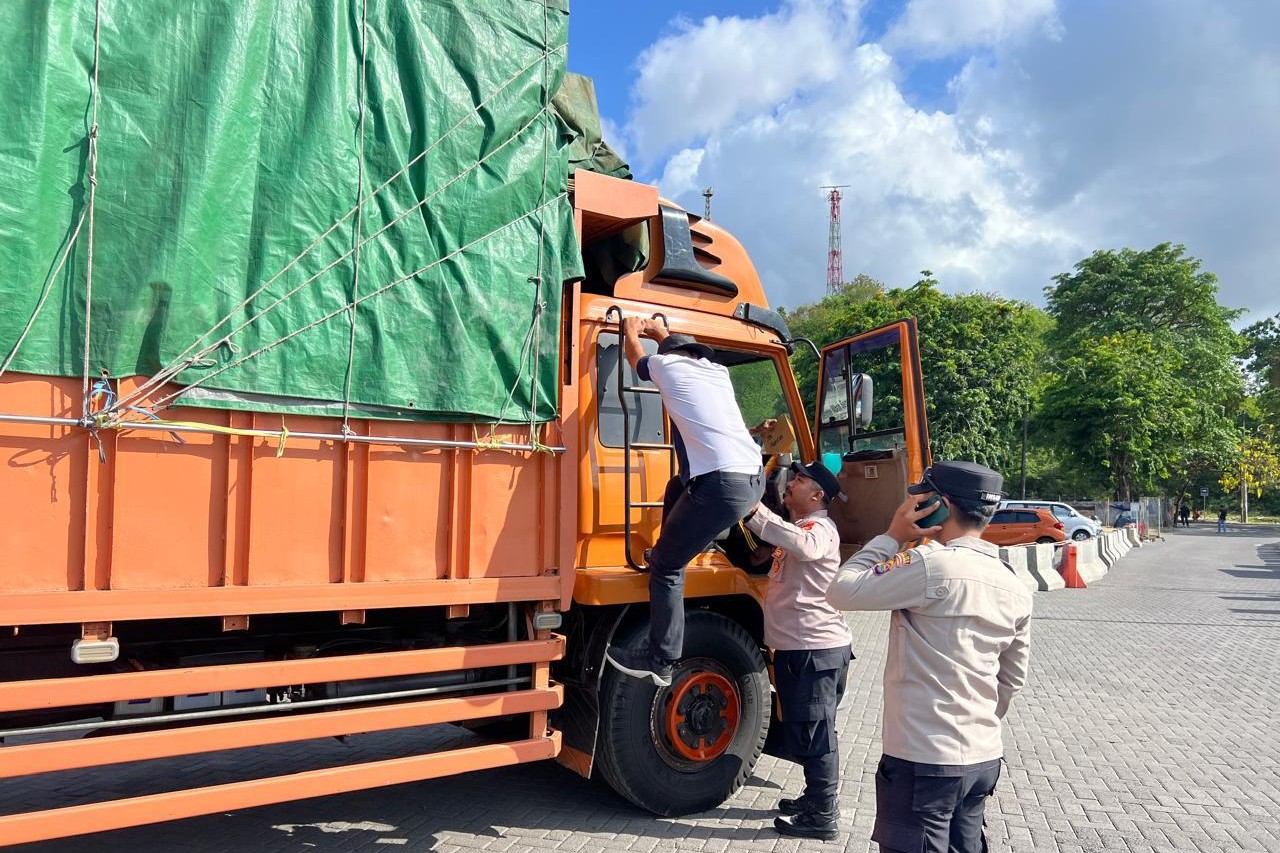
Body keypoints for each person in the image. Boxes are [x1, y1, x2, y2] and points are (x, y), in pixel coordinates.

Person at [826, 462, 1032, 853]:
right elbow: (1012, 679)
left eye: (921, 497)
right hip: (983, 757)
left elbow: (842, 590)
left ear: (940, 504)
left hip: (925, 760)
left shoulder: (930, 565)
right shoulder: (1012, 582)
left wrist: (891, 536)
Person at [604, 317, 764, 687]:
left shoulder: (664, 365)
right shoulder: (717, 372)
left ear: (671, 353)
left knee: (666, 566)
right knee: (677, 487)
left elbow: (635, 358)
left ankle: (661, 660)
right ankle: (686, 539)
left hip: (721, 484)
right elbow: (678, 347)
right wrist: (663, 332)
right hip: (752, 477)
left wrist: (630, 328)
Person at [742, 459, 853, 841]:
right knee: (809, 730)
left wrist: (753, 509)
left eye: (801, 480)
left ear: (818, 495)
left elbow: (805, 547)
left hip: (815, 650)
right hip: (801, 649)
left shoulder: (819, 529)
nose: (791, 483)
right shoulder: (799, 528)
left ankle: (823, 816)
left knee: (817, 733)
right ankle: (813, 798)